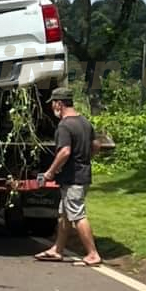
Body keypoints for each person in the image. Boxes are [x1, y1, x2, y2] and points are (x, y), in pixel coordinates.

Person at [34, 87, 102, 267]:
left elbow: (64, 151)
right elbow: (96, 145)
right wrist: (84, 159)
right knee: (64, 214)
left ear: (59, 103)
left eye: (53, 104)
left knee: (77, 214)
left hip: (73, 178)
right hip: (82, 174)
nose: (52, 108)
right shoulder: (85, 122)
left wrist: (50, 171)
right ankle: (57, 250)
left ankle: (92, 254)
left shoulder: (65, 125)